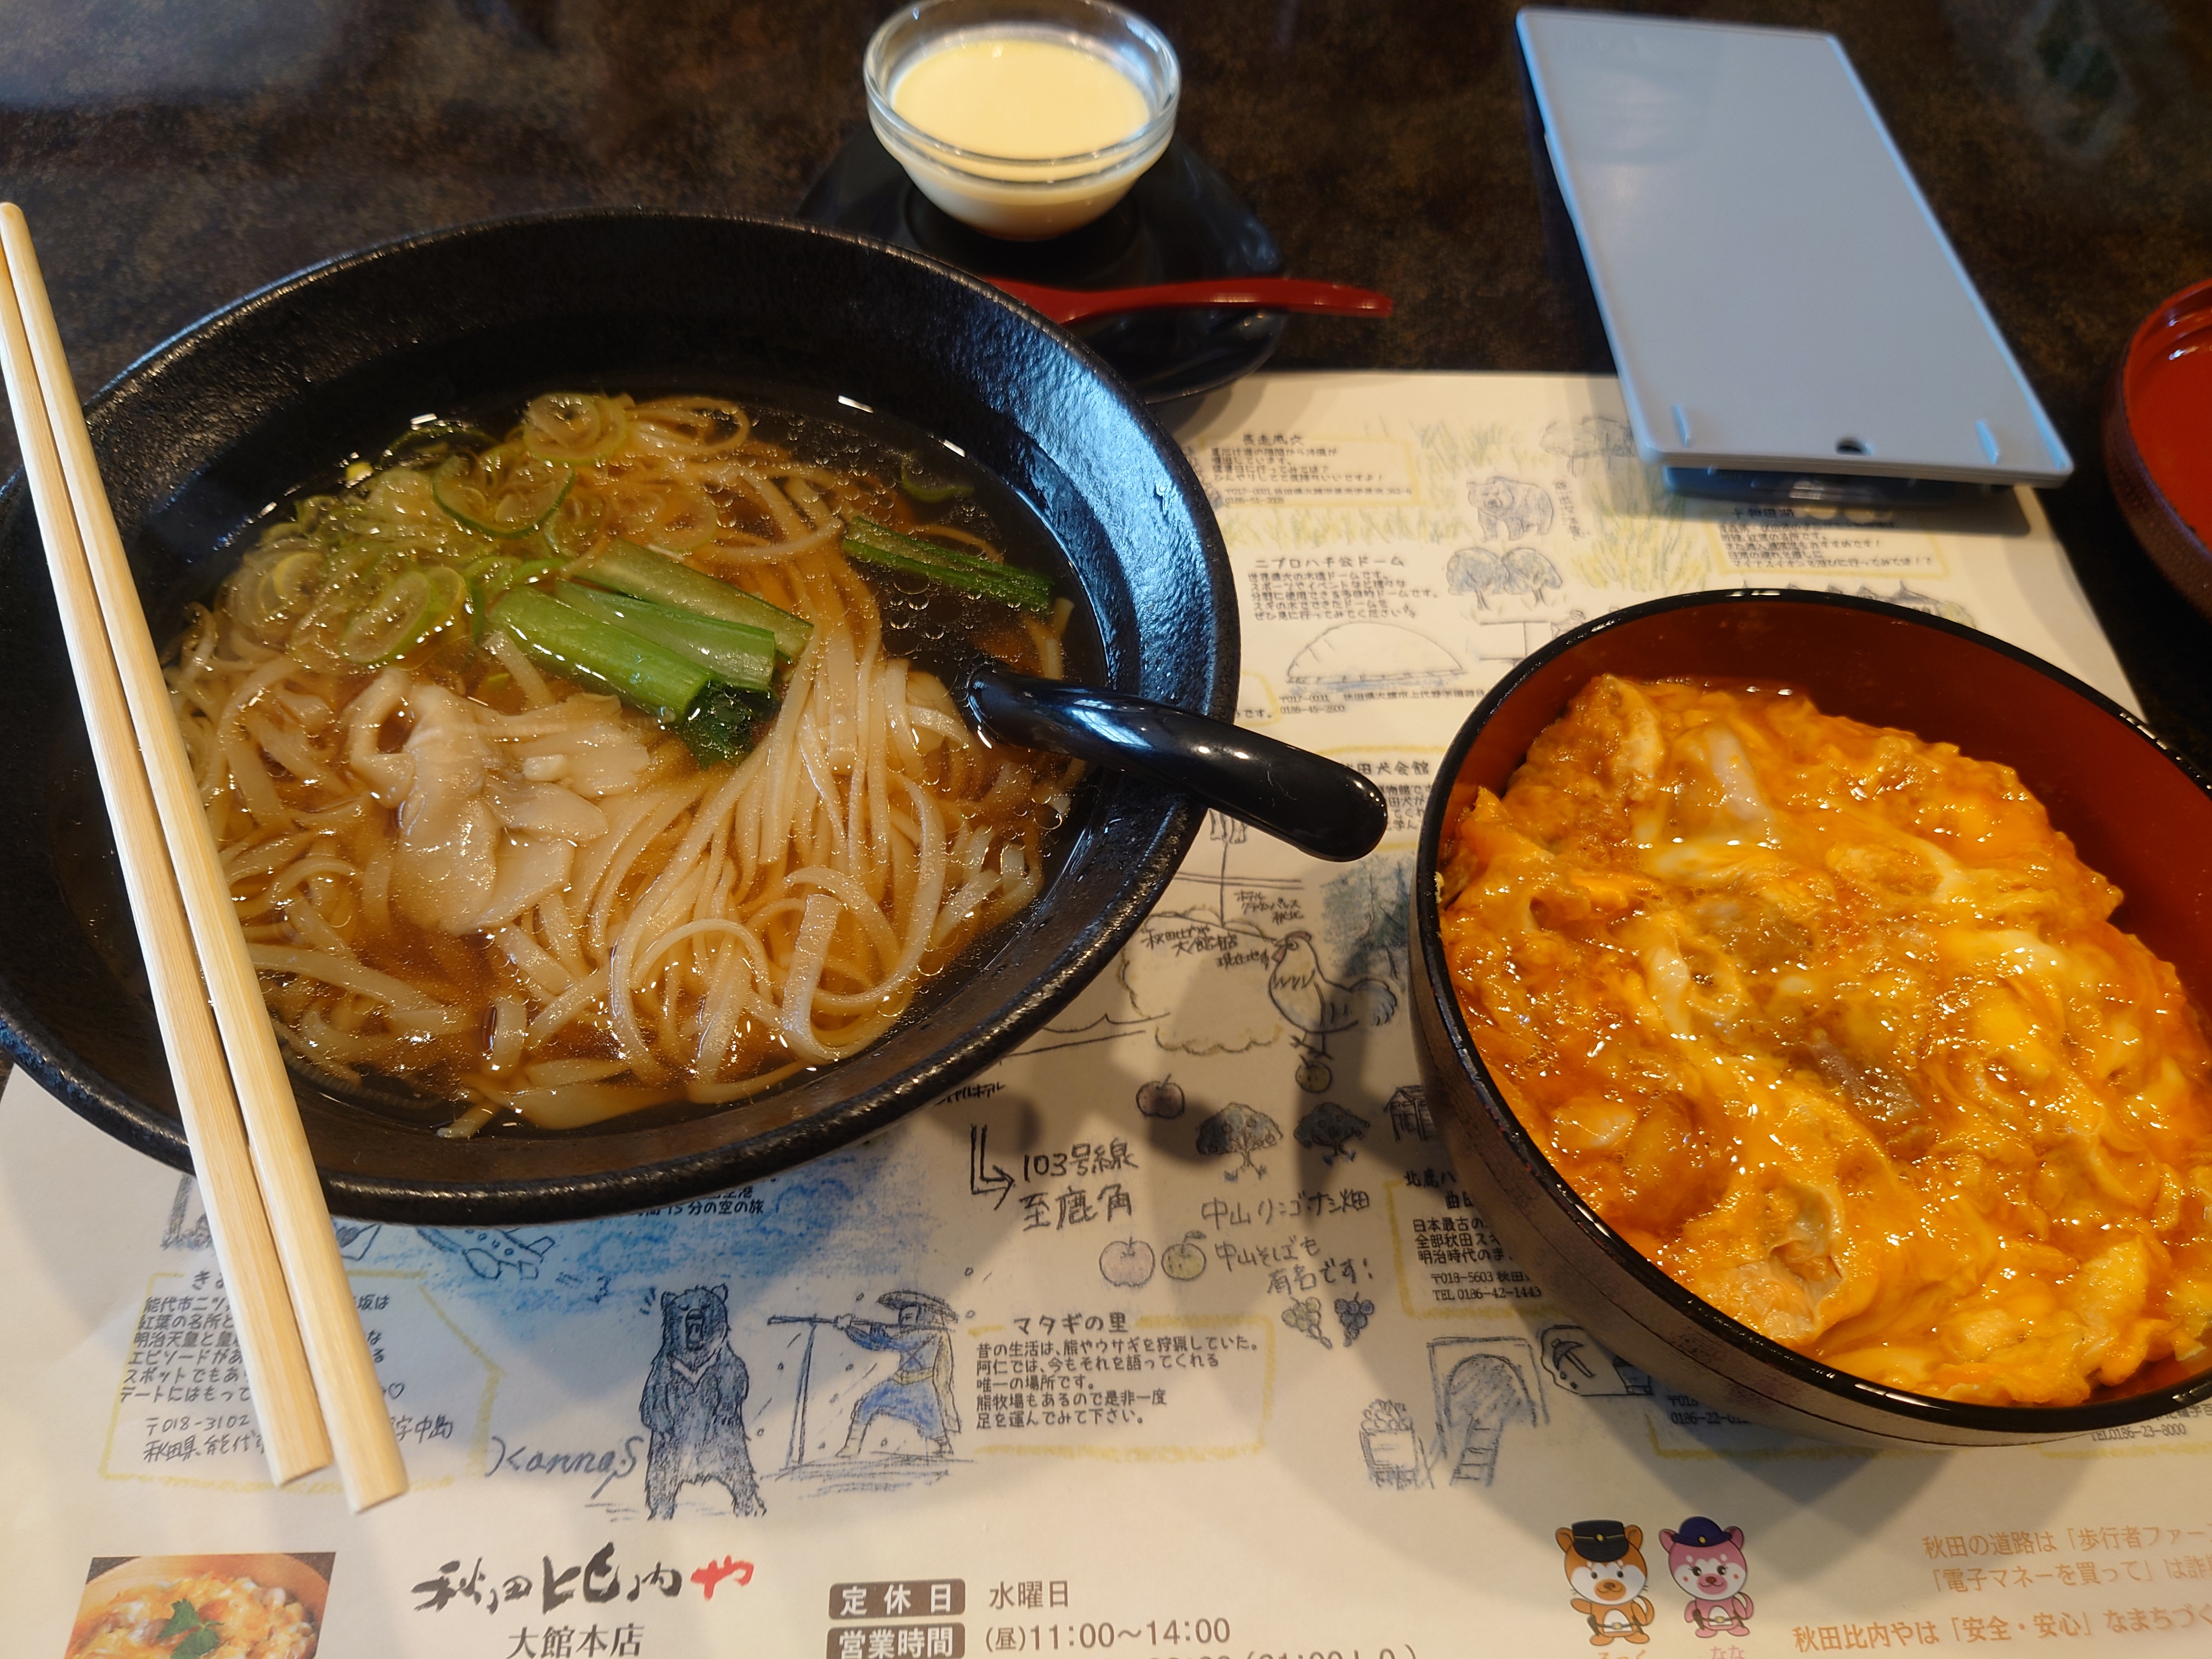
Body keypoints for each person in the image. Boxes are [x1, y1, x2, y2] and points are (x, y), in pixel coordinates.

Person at [834, 1290, 961, 1458]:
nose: (902, 1323)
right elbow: (874, 1345)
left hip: (922, 1386)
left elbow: (894, 1344)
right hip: (899, 1382)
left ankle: (945, 1447)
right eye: (901, 1318)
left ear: (922, 1317)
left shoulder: (929, 1334)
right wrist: (849, 1329)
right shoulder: (910, 1333)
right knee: (867, 1404)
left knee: (932, 1422)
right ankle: (852, 1446)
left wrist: (877, 1331)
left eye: (908, 1318)